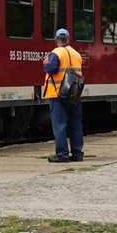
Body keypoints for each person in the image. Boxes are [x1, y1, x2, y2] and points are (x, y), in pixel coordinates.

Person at [43, 27, 84, 162]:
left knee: (60, 126)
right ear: (68, 39)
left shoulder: (56, 53)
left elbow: (51, 69)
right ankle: (77, 154)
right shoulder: (76, 54)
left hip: (58, 94)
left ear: (56, 39)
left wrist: (45, 63)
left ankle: (62, 155)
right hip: (74, 95)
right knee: (75, 125)